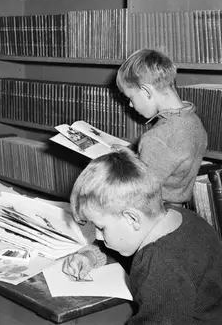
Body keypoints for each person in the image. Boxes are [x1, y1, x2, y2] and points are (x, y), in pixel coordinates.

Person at [62, 149, 222, 324]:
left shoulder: (158, 263)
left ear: (132, 218)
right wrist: (91, 255)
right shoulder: (182, 217)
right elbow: (122, 244)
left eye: (101, 228)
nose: (98, 237)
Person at [116, 49, 207, 206]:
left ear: (146, 91)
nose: (130, 104)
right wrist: (130, 155)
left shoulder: (157, 138)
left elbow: (141, 192)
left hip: (155, 210)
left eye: (130, 97)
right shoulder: (193, 120)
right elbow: (168, 163)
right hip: (178, 208)